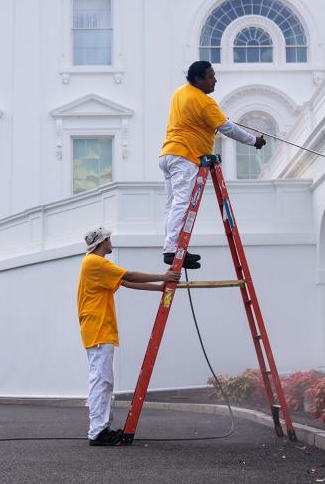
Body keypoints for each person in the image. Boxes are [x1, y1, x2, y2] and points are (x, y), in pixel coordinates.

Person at [78, 226, 181, 446]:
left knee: (103, 381)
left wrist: (159, 287)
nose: (111, 241)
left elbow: (124, 282)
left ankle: (101, 429)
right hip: (98, 329)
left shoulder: (96, 265)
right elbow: (128, 275)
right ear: (102, 241)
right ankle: (97, 432)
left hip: (98, 329)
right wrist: (164, 276)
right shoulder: (95, 262)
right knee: (101, 381)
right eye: (109, 238)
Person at [158, 61, 266, 268]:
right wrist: (254, 141)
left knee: (172, 205)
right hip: (186, 155)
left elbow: (199, 120)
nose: (214, 80)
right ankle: (172, 249)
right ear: (198, 79)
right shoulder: (204, 102)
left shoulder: (180, 92)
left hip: (168, 154)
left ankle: (172, 246)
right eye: (210, 76)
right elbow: (228, 128)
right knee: (181, 202)